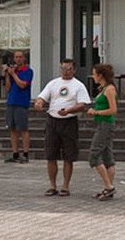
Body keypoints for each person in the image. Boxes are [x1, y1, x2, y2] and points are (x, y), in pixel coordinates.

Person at [34, 59, 90, 197]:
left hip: (69, 121)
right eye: (63, 68)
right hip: (52, 121)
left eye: (69, 69)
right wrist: (39, 103)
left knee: (68, 156)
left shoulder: (78, 85)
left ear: (74, 70)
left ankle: (65, 186)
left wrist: (69, 110)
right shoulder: (53, 83)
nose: (66, 71)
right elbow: (42, 97)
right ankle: (52, 185)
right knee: (50, 155)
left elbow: (83, 105)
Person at [86, 64, 118, 201]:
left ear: (101, 75)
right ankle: (108, 187)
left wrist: (96, 112)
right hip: (102, 124)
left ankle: (109, 186)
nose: (93, 76)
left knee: (94, 154)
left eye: (94, 74)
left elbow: (113, 110)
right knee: (107, 157)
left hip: (106, 125)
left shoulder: (109, 89)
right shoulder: (104, 88)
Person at [4, 50, 34, 163]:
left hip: (22, 102)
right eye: (16, 57)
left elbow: (22, 84)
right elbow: (7, 88)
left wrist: (13, 74)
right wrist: (8, 75)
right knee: (12, 129)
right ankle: (15, 153)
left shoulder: (28, 71)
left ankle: (25, 153)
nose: (18, 59)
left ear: (24, 58)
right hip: (11, 101)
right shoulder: (14, 71)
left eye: (20, 57)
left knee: (23, 128)